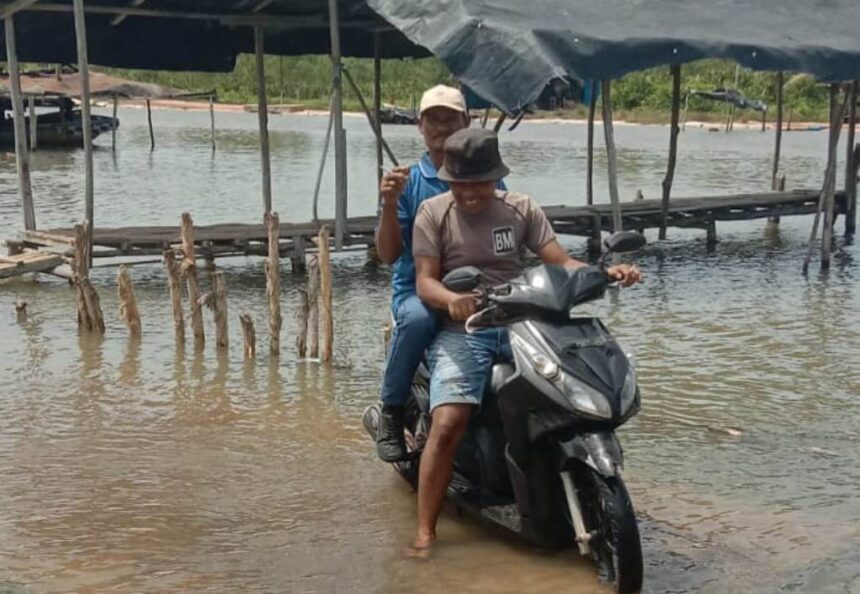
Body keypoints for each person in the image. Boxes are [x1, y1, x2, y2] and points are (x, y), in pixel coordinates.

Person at [409, 128, 641, 555]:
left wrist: (606, 273)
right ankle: (425, 532)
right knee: (449, 422)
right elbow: (425, 281)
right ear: (449, 182)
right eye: (461, 184)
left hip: (526, 323)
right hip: (469, 329)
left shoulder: (522, 209)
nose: (470, 193)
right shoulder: (432, 213)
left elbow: (560, 262)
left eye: (479, 183)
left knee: (566, 397)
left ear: (496, 178)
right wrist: (453, 300)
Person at [374, 85, 505, 462]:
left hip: (480, 291)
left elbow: (512, 236)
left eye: (451, 119)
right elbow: (387, 254)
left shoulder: (490, 176)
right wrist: (389, 204)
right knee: (417, 320)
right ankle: (391, 408)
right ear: (419, 125)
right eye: (434, 119)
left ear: (466, 123)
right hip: (419, 291)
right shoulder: (408, 181)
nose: (442, 127)